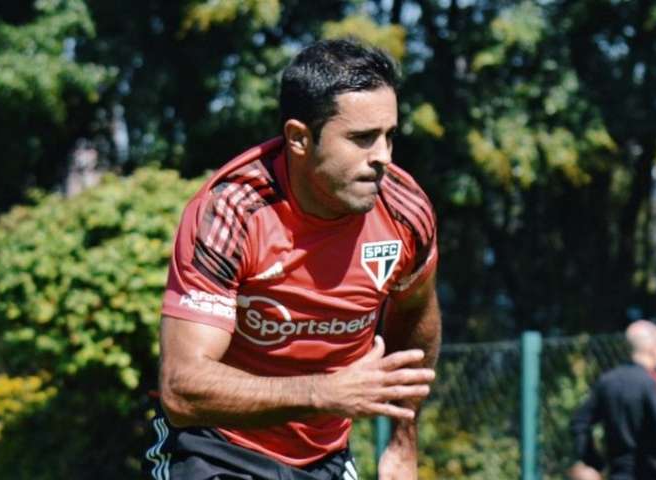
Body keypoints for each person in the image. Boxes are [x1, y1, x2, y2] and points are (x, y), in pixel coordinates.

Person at [145, 38, 440, 480]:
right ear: (299, 139)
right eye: (362, 139)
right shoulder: (230, 214)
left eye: (389, 136)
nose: (382, 157)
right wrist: (325, 392)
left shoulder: (405, 213)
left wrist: (403, 441)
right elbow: (182, 389)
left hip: (325, 456)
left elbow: (416, 313)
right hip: (215, 448)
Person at [569, 320, 656, 480]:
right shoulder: (652, 382)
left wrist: (594, 461)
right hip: (649, 473)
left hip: (618, 473)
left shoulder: (607, 381)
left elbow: (579, 423)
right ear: (653, 347)